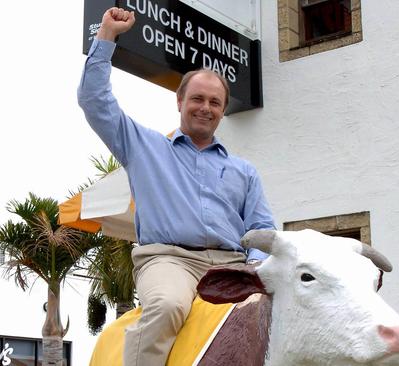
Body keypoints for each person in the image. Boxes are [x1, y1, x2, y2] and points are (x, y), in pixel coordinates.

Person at [77, 7, 276, 366]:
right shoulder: (143, 147)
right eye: (197, 99)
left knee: (275, 315)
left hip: (232, 263)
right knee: (167, 306)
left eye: (214, 102)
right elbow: (95, 102)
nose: (205, 107)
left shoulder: (244, 171)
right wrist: (106, 36)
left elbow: (261, 230)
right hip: (169, 260)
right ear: (180, 102)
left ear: (222, 109)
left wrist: (257, 269)